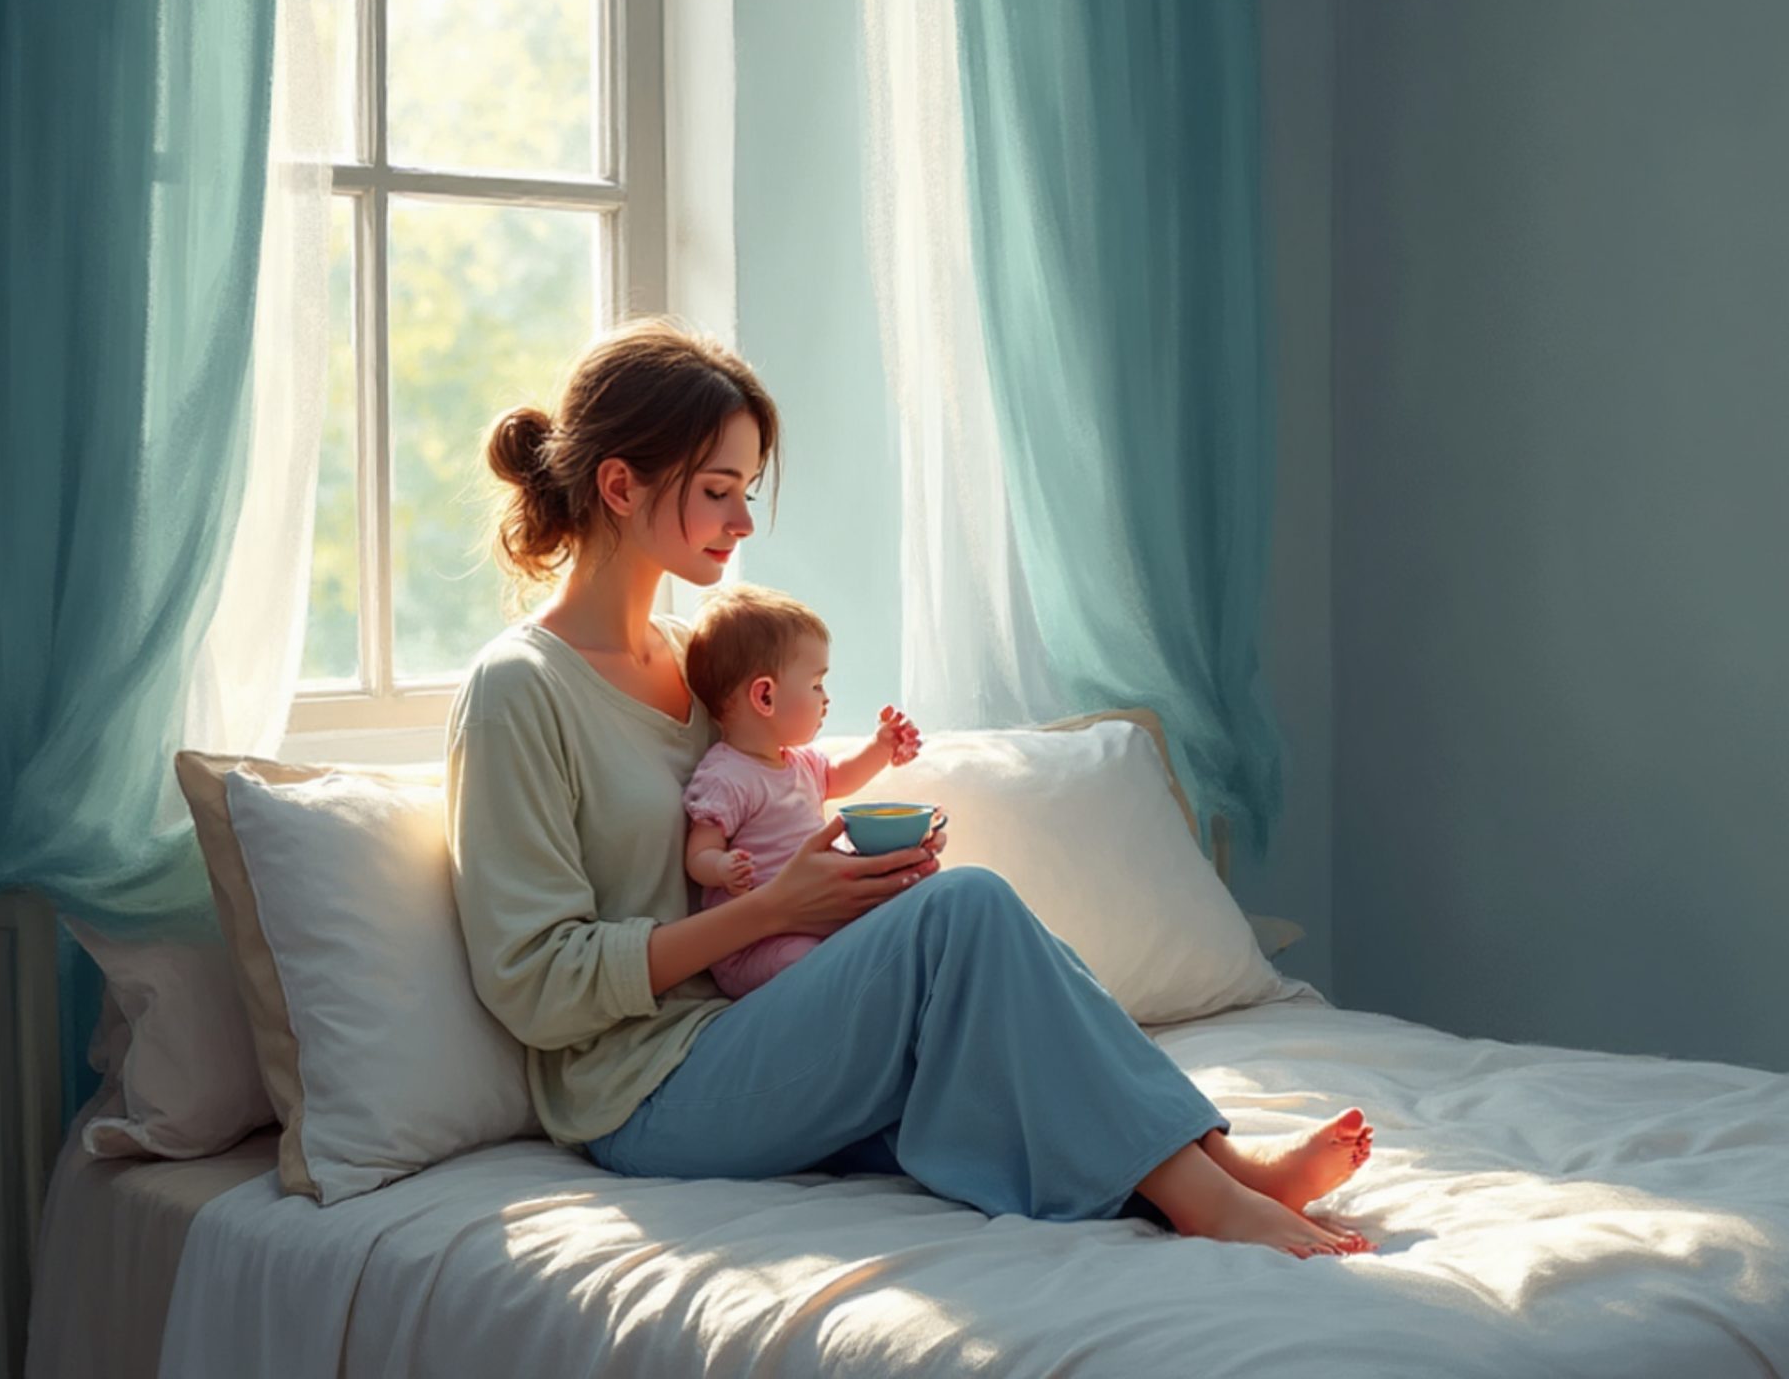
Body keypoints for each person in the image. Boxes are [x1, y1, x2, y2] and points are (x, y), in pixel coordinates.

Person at [444, 318, 1373, 1257]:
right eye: (718, 491)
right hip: (645, 1095)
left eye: (747, 490)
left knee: (988, 973)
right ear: (618, 485)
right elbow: (535, 984)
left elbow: (769, 816)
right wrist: (770, 913)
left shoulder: (702, 665)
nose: (744, 521)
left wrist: (843, 890)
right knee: (965, 912)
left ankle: (1216, 1165)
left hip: (766, 1029)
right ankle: (1207, 1199)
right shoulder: (520, 689)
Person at [677, 580, 930, 998]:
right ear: (765, 696)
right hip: (756, 946)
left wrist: (881, 746)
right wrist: (720, 868)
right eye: (816, 685)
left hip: (815, 920)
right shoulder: (726, 775)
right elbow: (698, 852)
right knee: (811, 965)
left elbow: (840, 776)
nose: (826, 699)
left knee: (896, 912)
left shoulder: (800, 762)